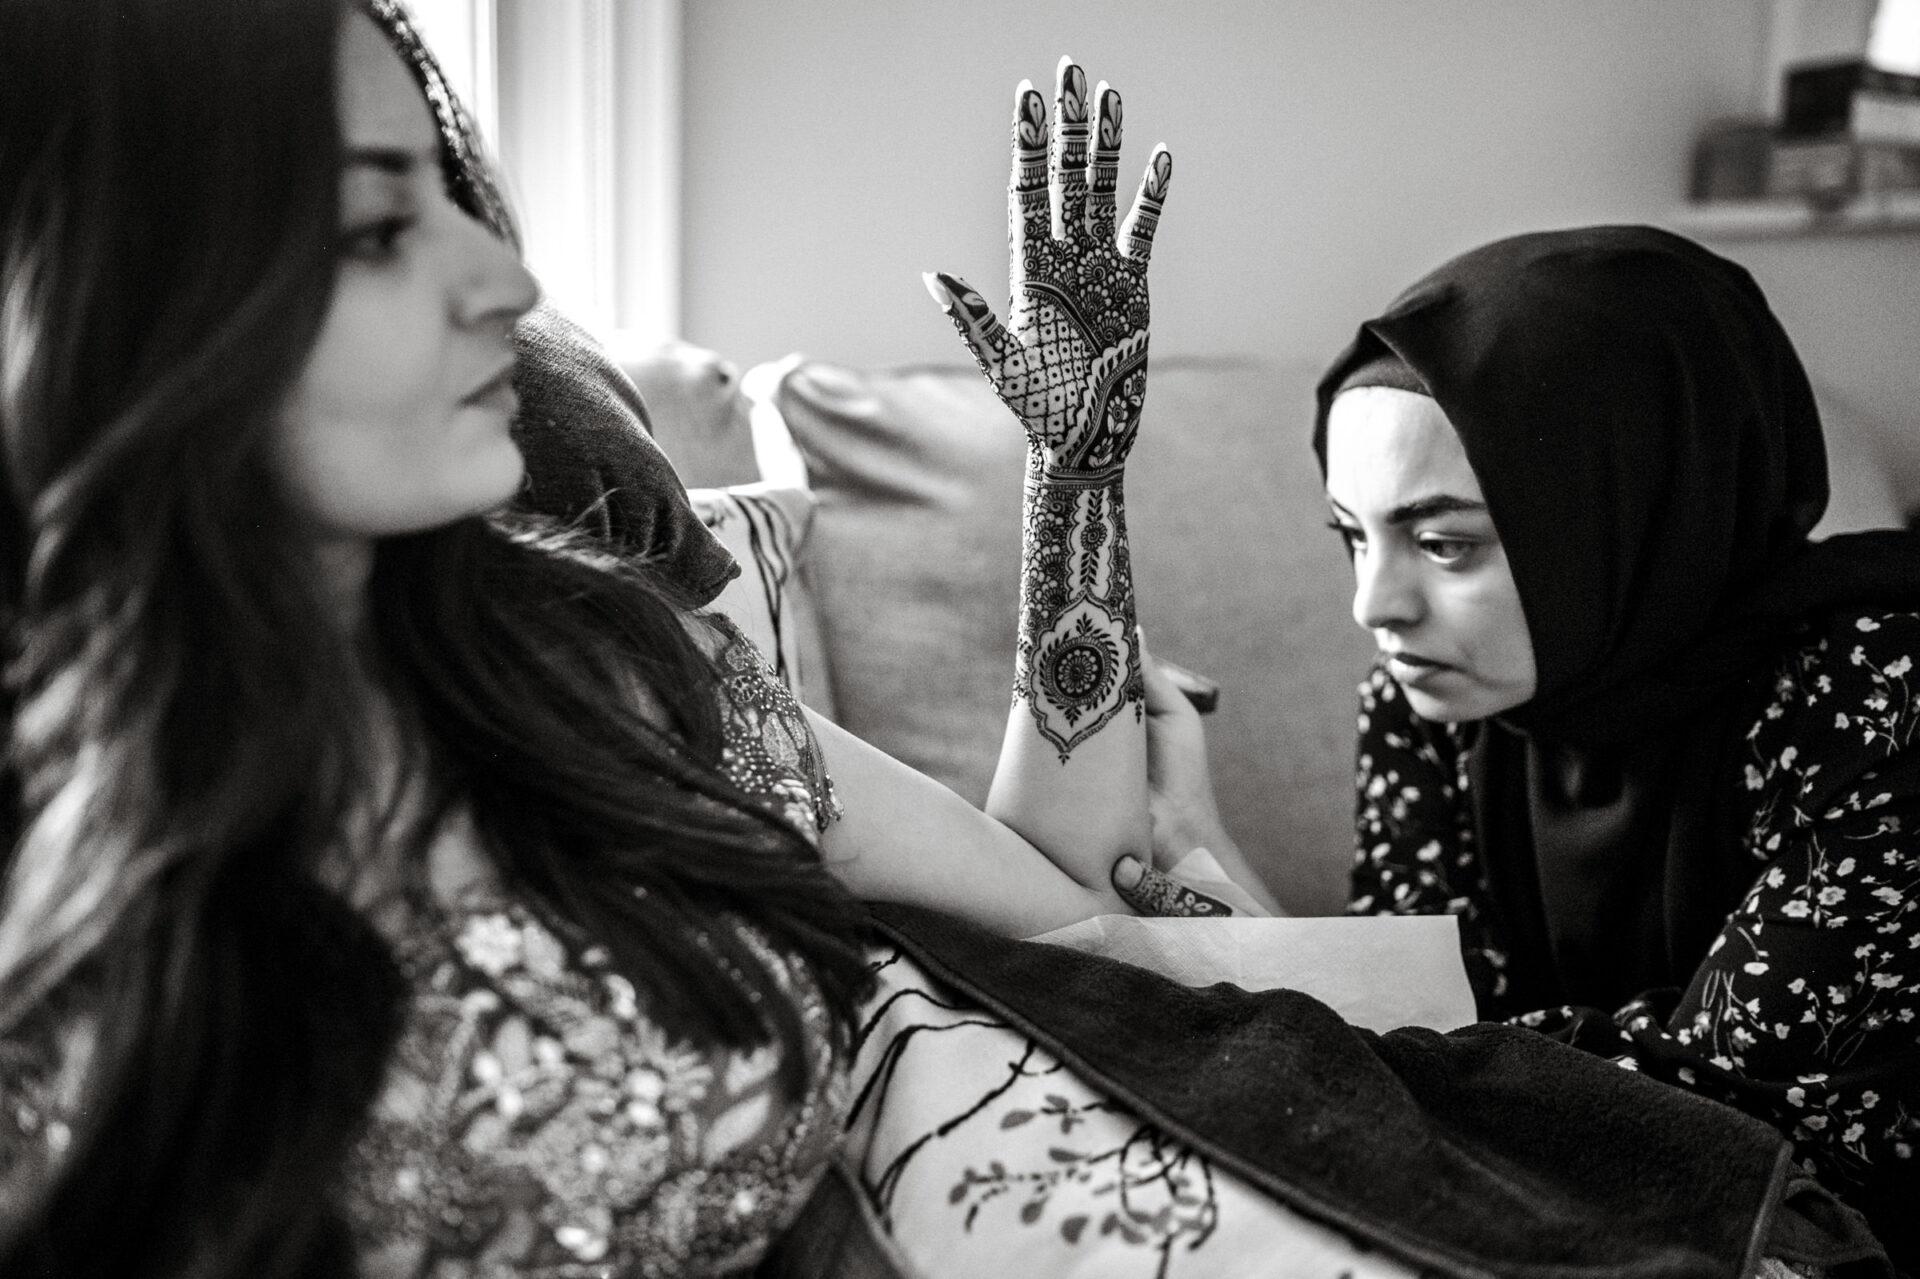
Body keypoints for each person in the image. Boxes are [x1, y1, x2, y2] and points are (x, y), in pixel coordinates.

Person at [0, 3, 1886, 1275]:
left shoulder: (599, 661)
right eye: (374, 227)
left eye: (451, 196)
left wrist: (1075, 481)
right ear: (110, 286)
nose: (510, 279)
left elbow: (1059, 920)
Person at [1143, 224, 1920, 1266]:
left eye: (1444, 542)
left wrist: (1421, 1055)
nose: (1375, 605)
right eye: (1354, 536)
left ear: (1643, 500)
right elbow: (1404, 1042)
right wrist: (1190, 831)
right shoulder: (1434, 706)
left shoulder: (1879, 694)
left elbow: (1703, 1125)